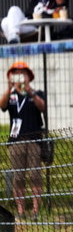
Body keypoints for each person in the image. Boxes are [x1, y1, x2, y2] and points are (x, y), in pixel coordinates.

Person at [4, 61, 46, 217]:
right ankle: (20, 210)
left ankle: (36, 209)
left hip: (34, 139)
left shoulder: (37, 93)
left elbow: (43, 107)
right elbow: (2, 105)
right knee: (18, 176)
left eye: (23, 73)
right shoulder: (11, 95)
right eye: (16, 73)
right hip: (15, 141)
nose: (20, 76)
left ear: (29, 76)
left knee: (35, 175)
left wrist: (30, 91)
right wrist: (9, 88)